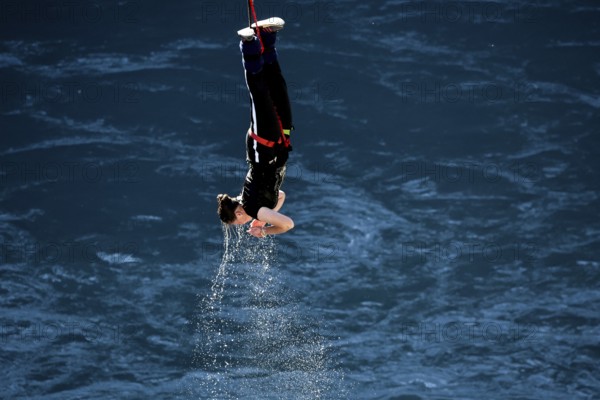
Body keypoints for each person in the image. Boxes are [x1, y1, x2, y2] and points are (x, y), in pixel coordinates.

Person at [216, 17, 294, 238]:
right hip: (280, 143)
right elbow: (281, 195)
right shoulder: (257, 208)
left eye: (239, 224)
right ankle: (266, 36)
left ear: (239, 214)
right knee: (278, 88)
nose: (244, 224)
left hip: (263, 144)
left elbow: (288, 224)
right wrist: (260, 222)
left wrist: (265, 231)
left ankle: (248, 45)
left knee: (260, 95)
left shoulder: (251, 207)